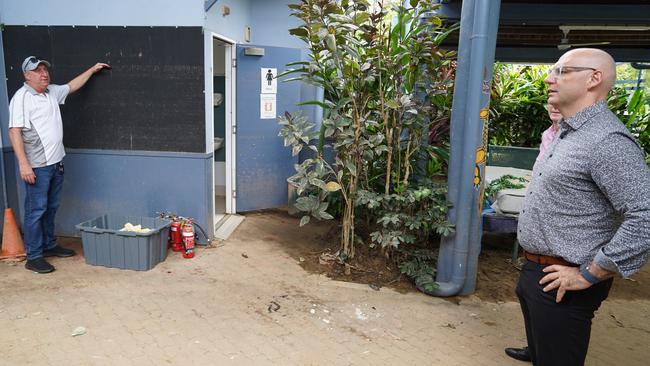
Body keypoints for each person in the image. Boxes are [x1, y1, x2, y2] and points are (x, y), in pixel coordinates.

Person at [505, 48, 650, 365]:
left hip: (567, 283)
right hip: (540, 271)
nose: (549, 78)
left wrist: (590, 272)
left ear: (594, 79)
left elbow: (645, 217)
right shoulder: (569, 132)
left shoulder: (607, 140)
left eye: (562, 71)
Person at [8, 56, 110, 273]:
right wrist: (23, 165)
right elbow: (14, 130)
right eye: (37, 70)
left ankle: (49, 245)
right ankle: (34, 255)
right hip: (37, 166)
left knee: (51, 207)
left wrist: (91, 69)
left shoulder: (51, 91)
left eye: (45, 69)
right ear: (27, 75)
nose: (44, 73)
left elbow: (72, 86)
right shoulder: (22, 97)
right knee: (36, 210)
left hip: (56, 162)